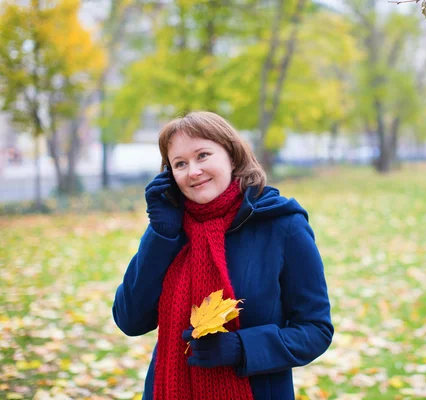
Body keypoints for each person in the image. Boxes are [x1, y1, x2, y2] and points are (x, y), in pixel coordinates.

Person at [112, 111, 333, 400]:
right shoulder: (169, 230)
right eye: (180, 164)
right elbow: (129, 320)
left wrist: (242, 347)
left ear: (232, 155)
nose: (193, 171)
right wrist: (161, 235)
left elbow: (316, 329)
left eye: (203, 155)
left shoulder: (282, 225)